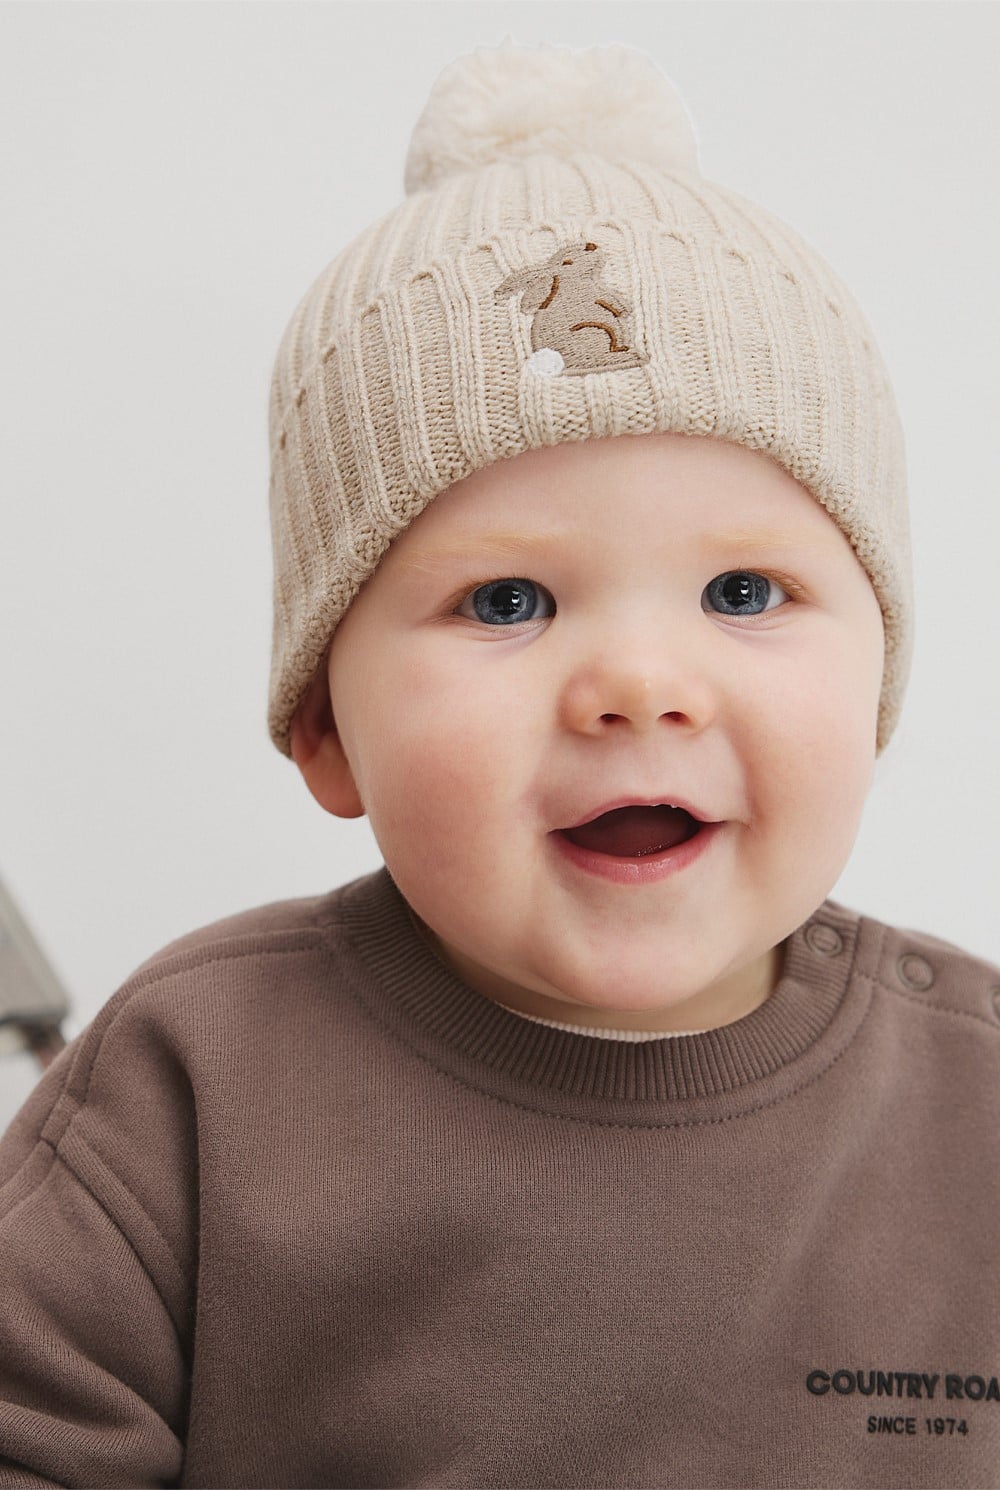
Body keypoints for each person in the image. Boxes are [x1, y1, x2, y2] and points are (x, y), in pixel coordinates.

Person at [1, 37, 997, 1490]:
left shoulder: (974, 1114)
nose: (640, 688)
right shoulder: (192, 1089)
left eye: (742, 593)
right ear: (325, 727)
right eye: (507, 603)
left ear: (881, 683)